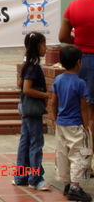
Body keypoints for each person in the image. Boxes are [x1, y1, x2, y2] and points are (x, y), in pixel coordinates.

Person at [52, 45, 92, 201]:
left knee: (63, 153)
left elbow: (54, 102)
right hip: (75, 124)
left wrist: (55, 118)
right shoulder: (80, 83)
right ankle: (75, 187)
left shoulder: (58, 79)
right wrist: (86, 125)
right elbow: (84, 107)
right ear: (79, 62)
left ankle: (67, 183)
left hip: (61, 123)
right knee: (78, 154)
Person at [59, 0, 94, 151]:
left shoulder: (74, 6)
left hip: (82, 62)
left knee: (85, 110)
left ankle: (85, 155)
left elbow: (63, 36)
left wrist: (79, 41)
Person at [12, 32, 51, 190]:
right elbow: (26, 89)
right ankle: (35, 178)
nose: (46, 48)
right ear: (37, 46)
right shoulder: (33, 67)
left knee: (25, 141)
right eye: (44, 44)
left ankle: (21, 176)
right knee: (36, 143)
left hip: (26, 109)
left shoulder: (27, 63)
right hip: (32, 110)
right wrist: (45, 94)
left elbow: (19, 84)